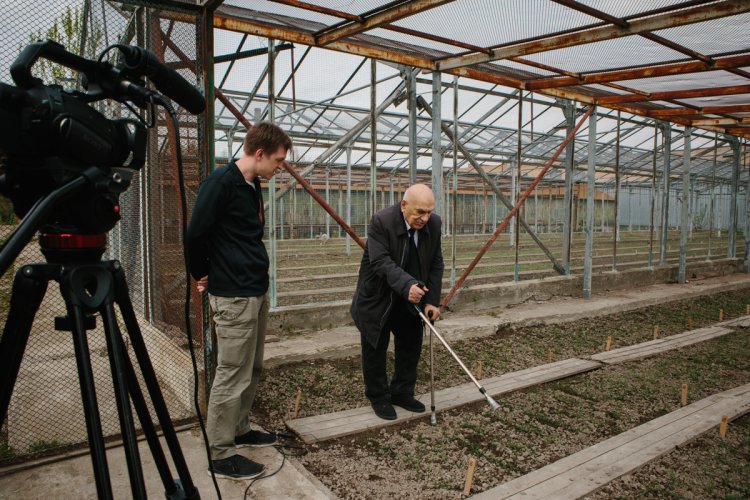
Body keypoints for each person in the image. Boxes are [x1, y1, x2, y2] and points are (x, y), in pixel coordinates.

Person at [186, 122, 292, 480]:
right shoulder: (220, 183)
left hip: (254, 290)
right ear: (258, 154)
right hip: (233, 295)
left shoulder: (252, 184)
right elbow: (196, 233)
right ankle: (220, 452)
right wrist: (202, 274)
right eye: (278, 160)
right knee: (231, 373)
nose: (280, 167)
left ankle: (241, 428)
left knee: (252, 367)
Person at [350, 184, 444, 420]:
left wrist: (432, 302)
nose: (425, 218)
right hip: (378, 296)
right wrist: (406, 285)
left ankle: (402, 392)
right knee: (375, 347)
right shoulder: (382, 221)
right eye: (419, 212)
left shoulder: (434, 224)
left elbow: (435, 263)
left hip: (410, 298)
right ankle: (379, 397)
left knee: (411, 345)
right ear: (404, 205)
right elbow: (380, 261)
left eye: (429, 212)